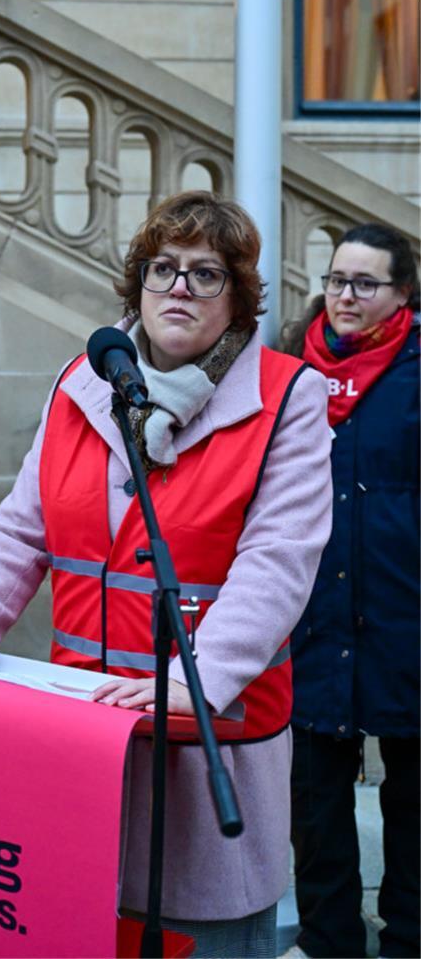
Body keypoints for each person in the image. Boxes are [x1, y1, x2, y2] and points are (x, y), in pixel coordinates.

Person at [0, 190, 333, 958]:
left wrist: (195, 679)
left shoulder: (287, 396)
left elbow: (278, 561)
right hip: (86, 741)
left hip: (206, 740)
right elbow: (21, 531)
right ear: (137, 282)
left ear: (238, 297)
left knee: (203, 937)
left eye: (206, 273)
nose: (179, 287)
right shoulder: (82, 382)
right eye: (163, 268)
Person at [282, 224, 420, 959]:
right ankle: (328, 939)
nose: (345, 295)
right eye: (337, 279)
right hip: (313, 614)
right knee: (316, 796)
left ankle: (410, 939)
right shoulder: (291, 364)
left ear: (403, 294)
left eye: (365, 283)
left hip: (406, 612)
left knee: (414, 798)